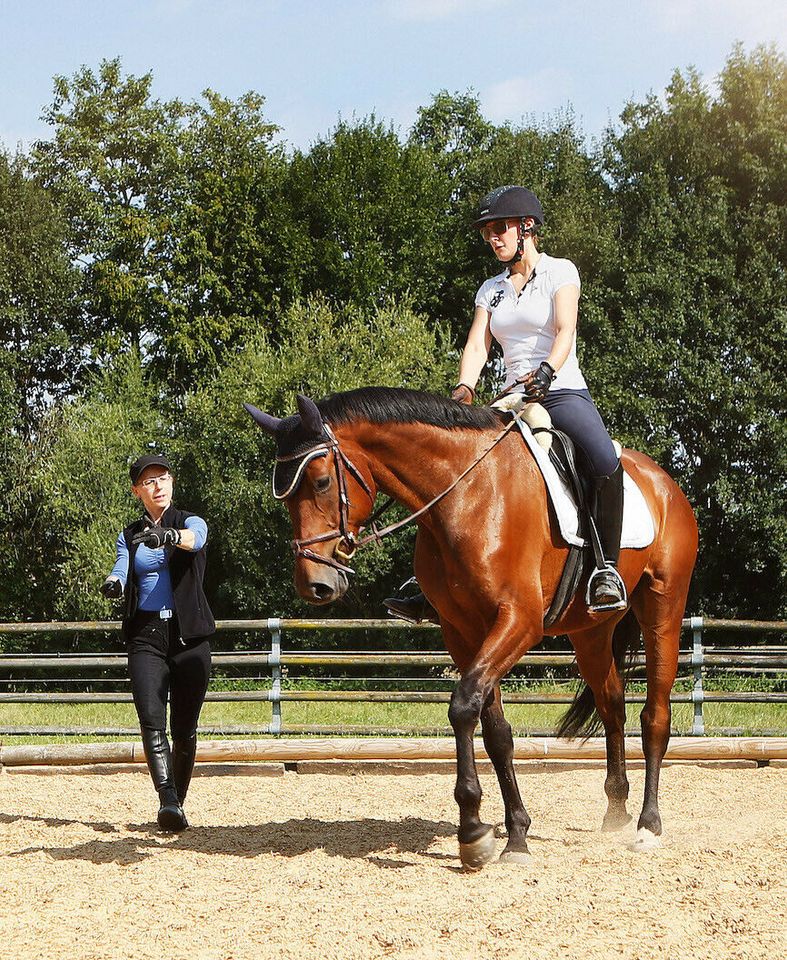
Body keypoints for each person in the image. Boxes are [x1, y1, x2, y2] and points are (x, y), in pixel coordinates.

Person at [384, 185, 626, 622]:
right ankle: (429, 582)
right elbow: (477, 343)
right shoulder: (490, 290)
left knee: (605, 460)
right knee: (446, 463)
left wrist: (549, 371)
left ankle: (606, 569)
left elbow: (565, 331)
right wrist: (464, 388)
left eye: (499, 229)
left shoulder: (560, 272)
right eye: (487, 233)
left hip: (561, 388)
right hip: (509, 397)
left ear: (526, 227)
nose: (492, 238)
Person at [101, 453, 215, 832]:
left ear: (172, 482)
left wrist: (168, 536)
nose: (158, 485)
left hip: (189, 637)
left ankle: (176, 804)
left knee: (184, 729)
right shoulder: (129, 533)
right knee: (152, 722)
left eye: (163, 477)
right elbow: (122, 565)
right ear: (138, 491)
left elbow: (195, 540)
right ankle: (167, 799)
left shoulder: (189, 521)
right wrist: (115, 583)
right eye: (149, 481)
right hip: (146, 636)